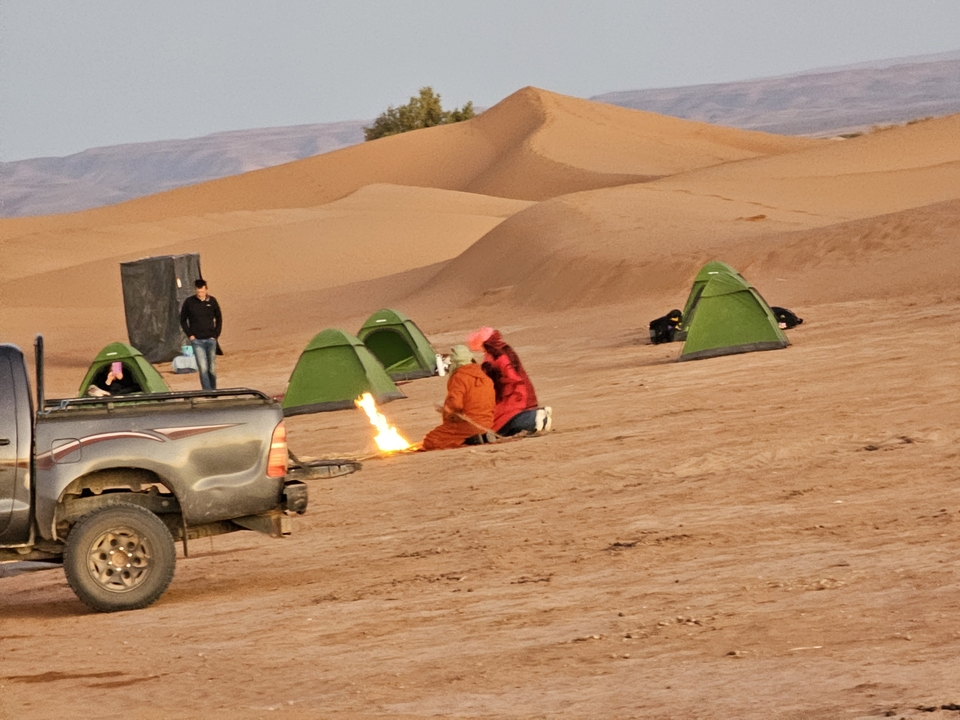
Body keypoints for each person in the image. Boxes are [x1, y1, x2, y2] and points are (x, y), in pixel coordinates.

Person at [467, 327, 552, 437]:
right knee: (508, 417)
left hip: (512, 391)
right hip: (515, 389)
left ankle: (533, 417)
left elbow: (509, 374)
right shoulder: (503, 350)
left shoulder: (496, 356)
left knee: (505, 419)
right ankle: (537, 418)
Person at [421, 345, 496, 451]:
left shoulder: (460, 376)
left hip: (468, 423)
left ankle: (470, 440)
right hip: (487, 423)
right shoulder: (483, 376)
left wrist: (445, 408)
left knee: (431, 441)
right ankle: (478, 437)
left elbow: (456, 404)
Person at [179, 278, 222, 390]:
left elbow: (219, 318)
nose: (200, 294)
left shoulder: (212, 301)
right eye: (198, 292)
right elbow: (183, 320)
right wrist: (190, 335)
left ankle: (213, 390)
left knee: (211, 368)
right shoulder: (189, 302)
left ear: (206, 289)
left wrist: (215, 334)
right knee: (203, 368)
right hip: (197, 341)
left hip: (211, 339)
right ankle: (207, 392)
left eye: (202, 291)